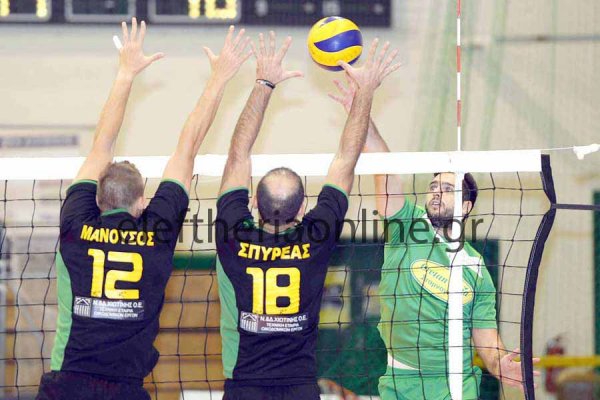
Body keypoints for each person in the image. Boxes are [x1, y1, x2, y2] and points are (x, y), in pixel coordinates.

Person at [36, 20, 251, 400]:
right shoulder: (157, 232)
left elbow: (101, 146)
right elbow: (188, 148)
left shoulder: (75, 225)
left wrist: (125, 72)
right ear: (141, 202)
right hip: (126, 388)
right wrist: (219, 79)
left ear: (96, 199)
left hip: (68, 382)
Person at [215, 32, 401, 400]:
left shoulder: (233, 236)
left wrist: (264, 83)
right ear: (303, 209)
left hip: (245, 385)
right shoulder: (315, 238)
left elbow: (237, 157)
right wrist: (365, 92)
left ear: (254, 205)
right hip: (299, 386)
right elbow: (345, 161)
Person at [329, 79, 541, 400]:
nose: (437, 192)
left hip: (454, 386)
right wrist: (363, 108)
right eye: (433, 187)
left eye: (448, 189)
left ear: (466, 207)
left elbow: (485, 335)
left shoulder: (475, 267)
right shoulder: (406, 224)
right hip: (400, 381)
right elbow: (384, 165)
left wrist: (498, 362)